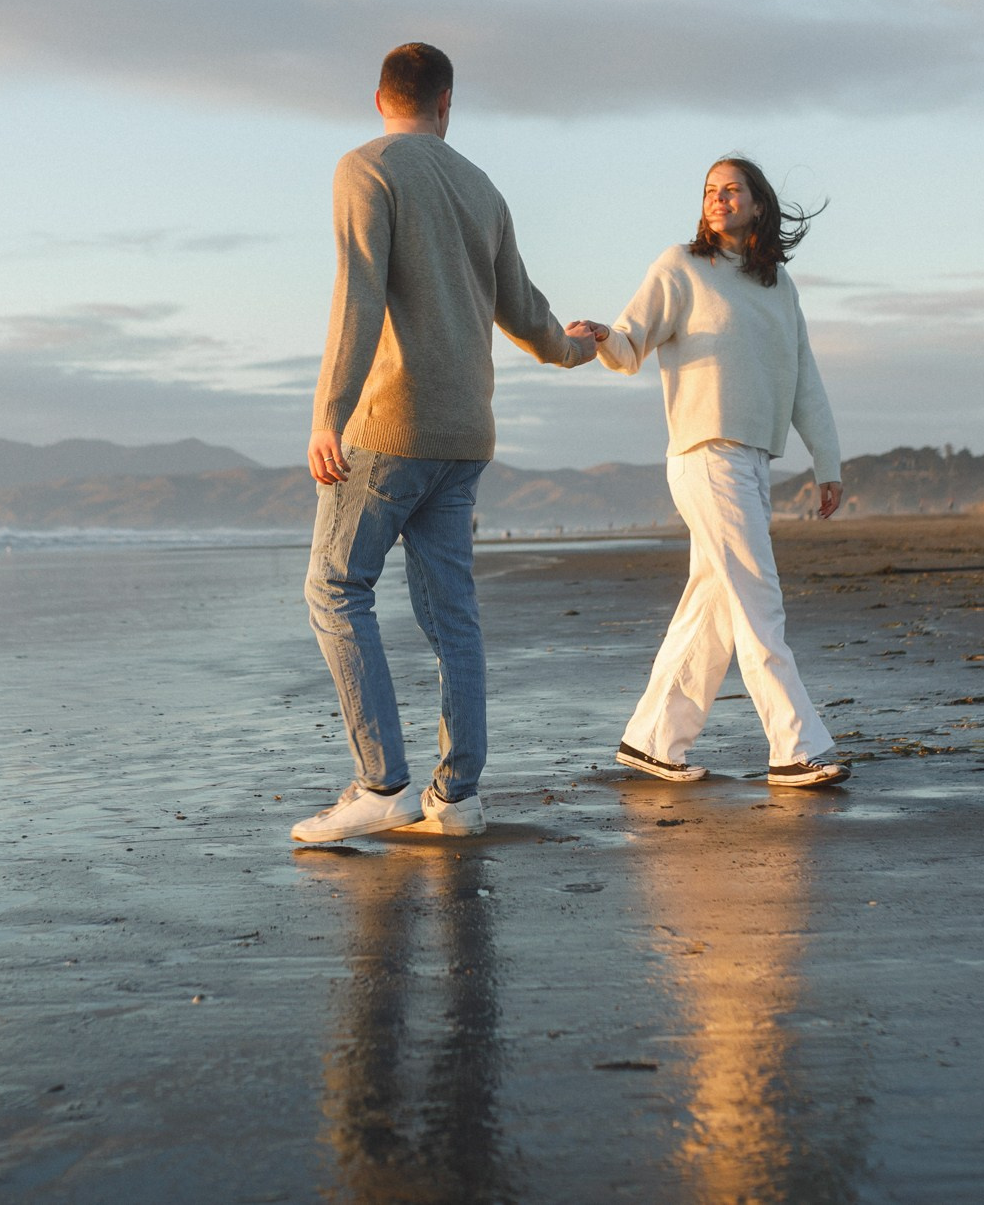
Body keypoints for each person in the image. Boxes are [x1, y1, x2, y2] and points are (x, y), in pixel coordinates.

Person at [292, 42, 599, 844]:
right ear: (447, 101)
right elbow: (524, 308)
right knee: (453, 618)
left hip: (392, 429)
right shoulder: (481, 188)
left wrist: (329, 411)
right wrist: (572, 347)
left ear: (379, 98)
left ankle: (382, 781)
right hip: (466, 436)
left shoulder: (367, 167)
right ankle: (457, 796)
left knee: (334, 587)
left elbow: (358, 291)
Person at [571, 155, 851, 789]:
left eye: (732, 191)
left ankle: (653, 740)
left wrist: (827, 462)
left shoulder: (778, 285)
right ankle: (795, 745)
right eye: (709, 192)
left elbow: (804, 377)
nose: (719, 200)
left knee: (716, 606)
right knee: (758, 599)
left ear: (757, 204)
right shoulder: (681, 266)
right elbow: (630, 340)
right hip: (704, 453)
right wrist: (599, 337)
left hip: (752, 458)